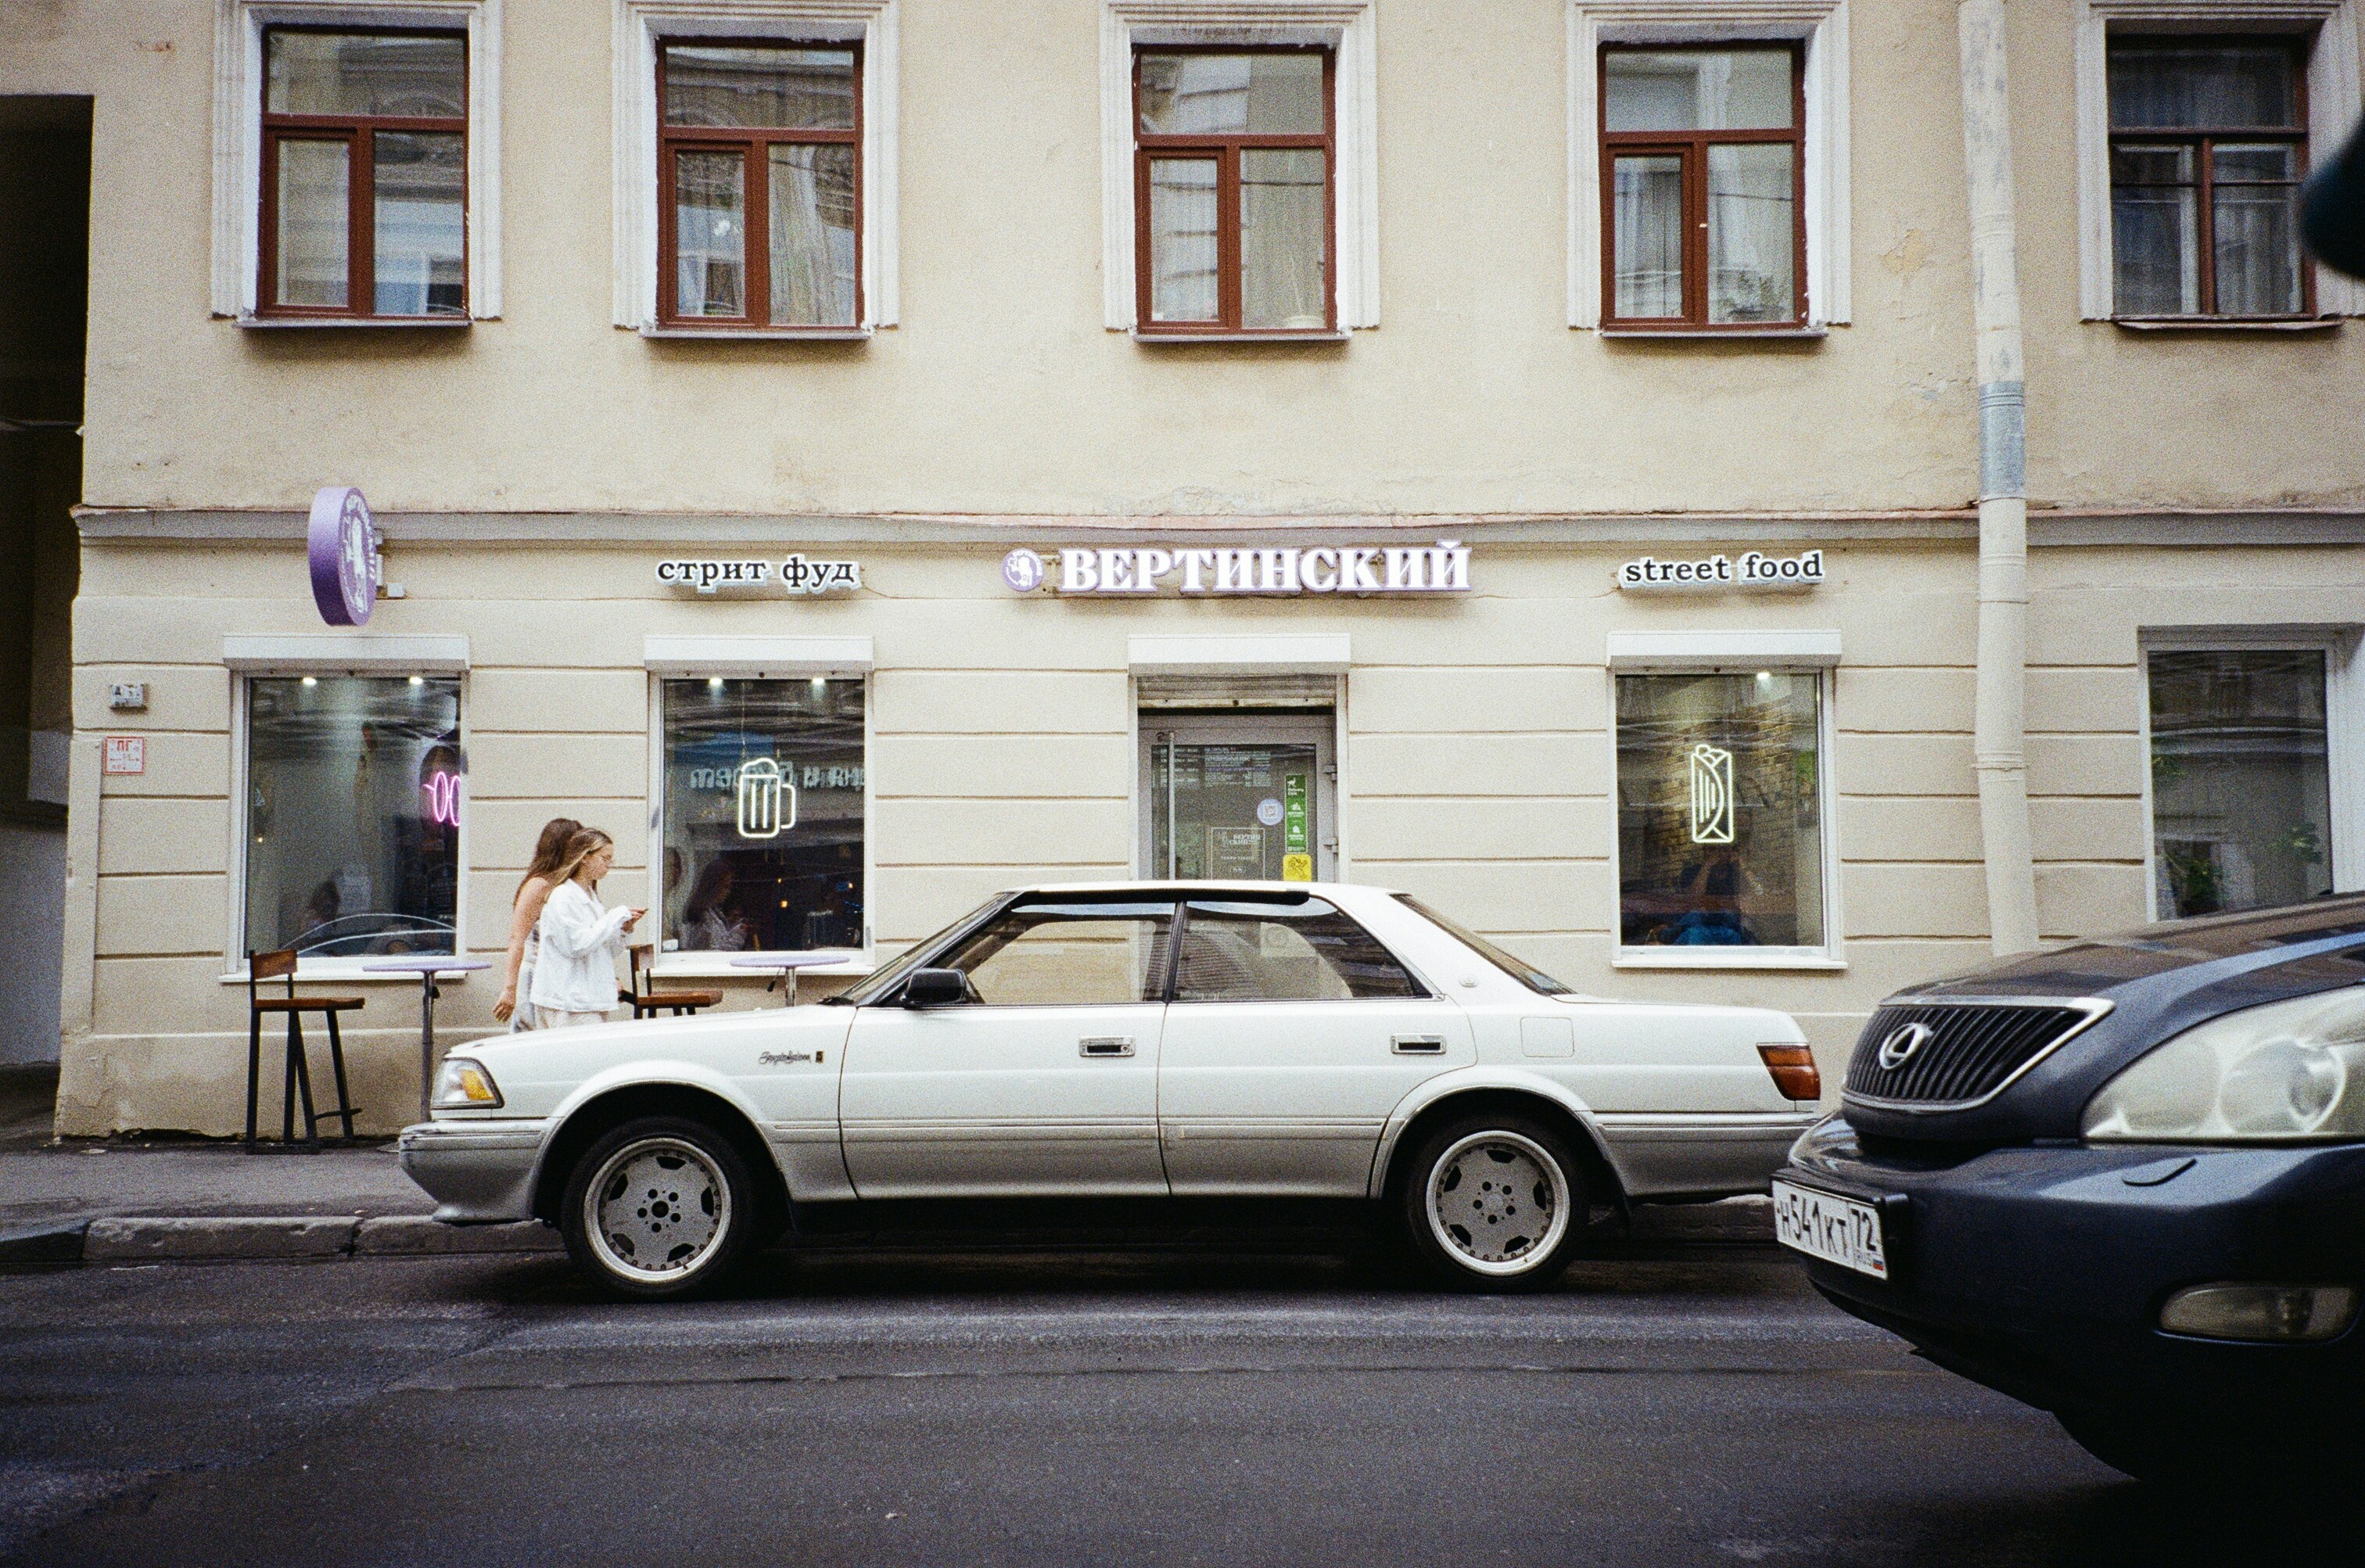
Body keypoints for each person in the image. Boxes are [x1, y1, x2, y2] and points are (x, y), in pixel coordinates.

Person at [527, 828, 644, 1030]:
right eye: (604, 858)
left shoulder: (590, 897)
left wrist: (623, 929)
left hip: (586, 998)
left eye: (611, 860)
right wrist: (614, 916)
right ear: (585, 858)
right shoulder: (563, 897)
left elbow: (605, 950)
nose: (608, 865)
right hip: (568, 1000)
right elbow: (575, 945)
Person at [493, 816, 582, 1029]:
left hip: (556, 975)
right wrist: (510, 989)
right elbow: (517, 939)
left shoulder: (566, 886)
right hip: (534, 974)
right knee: (531, 1041)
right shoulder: (539, 885)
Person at [680, 859, 751, 951]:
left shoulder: (712, 911)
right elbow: (715, 952)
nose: (728, 892)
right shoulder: (703, 916)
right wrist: (739, 934)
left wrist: (736, 928)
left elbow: (720, 941)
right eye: (725, 887)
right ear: (714, 886)